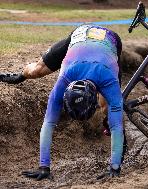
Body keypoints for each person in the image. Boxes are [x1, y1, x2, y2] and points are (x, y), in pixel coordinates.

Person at [1, 24, 125, 180]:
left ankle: (118, 151)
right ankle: (20, 76)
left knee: (108, 108)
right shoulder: (65, 78)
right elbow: (49, 122)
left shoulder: (109, 80)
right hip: (80, 35)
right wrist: (43, 167)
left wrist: (114, 168)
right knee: (36, 71)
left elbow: (117, 126)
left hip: (110, 40)